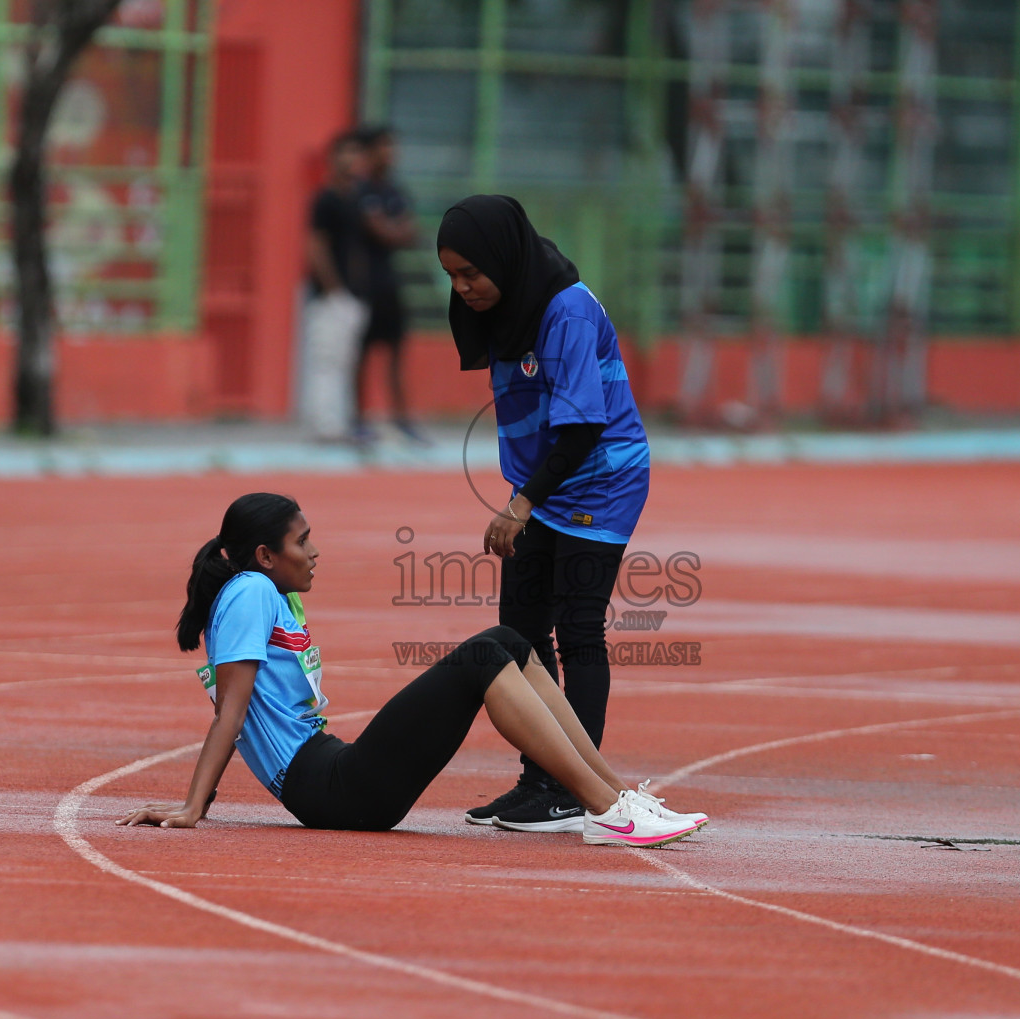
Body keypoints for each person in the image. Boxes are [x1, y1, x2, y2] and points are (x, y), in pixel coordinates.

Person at [117, 492, 705, 847]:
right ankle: (606, 812)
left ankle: (614, 797)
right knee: (484, 656)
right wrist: (196, 807)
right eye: (303, 542)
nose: (315, 552)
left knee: (506, 639)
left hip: (334, 773)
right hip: (331, 790)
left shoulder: (265, 590)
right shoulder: (249, 591)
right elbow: (232, 713)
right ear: (266, 556)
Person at [436, 195, 653, 833]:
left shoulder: (568, 309)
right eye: (450, 275)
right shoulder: (506, 308)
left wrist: (521, 503)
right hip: (542, 484)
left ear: (505, 257)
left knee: (579, 630)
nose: (463, 288)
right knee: (521, 635)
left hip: (601, 478)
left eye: (472, 273)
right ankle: (541, 782)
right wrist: (526, 494)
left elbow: (584, 426)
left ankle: (574, 789)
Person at [352, 125, 424, 444]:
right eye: (383, 147)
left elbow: (410, 233)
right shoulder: (360, 192)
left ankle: (402, 418)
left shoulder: (396, 191)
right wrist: (391, 230)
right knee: (361, 353)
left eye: (392, 146)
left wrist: (391, 230)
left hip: (390, 284)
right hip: (364, 285)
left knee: (396, 351)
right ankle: (358, 418)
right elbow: (382, 232)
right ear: (369, 153)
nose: (390, 153)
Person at [301, 132, 370, 441]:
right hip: (332, 296)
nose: (351, 160)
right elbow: (316, 245)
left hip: (353, 295)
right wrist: (334, 289)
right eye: (346, 153)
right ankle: (324, 425)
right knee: (326, 359)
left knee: (344, 360)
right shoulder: (325, 199)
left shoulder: (355, 199)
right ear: (333, 159)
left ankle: (339, 422)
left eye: (356, 154)